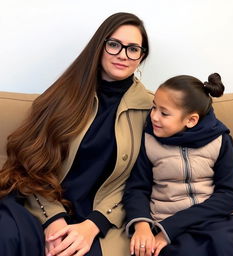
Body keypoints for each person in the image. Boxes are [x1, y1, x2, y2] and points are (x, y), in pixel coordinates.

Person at [0, 12, 153, 256]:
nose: (123, 55)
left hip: (103, 221)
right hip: (39, 203)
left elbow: (139, 182)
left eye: (133, 49)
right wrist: (53, 219)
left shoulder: (152, 111)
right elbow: (30, 163)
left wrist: (93, 225)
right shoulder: (62, 95)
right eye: (114, 45)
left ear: (141, 56)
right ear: (99, 46)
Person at [123, 73, 233, 256]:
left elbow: (229, 195)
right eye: (154, 108)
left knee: (226, 247)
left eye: (164, 113)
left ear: (191, 120)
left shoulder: (220, 140)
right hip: (165, 219)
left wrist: (169, 229)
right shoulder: (148, 140)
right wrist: (142, 225)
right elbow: (137, 189)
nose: (154, 116)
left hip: (218, 218)